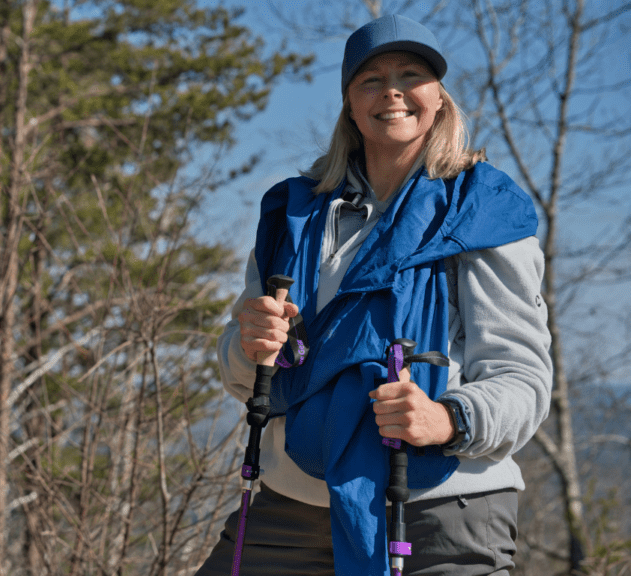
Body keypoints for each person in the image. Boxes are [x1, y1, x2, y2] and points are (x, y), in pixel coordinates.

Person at [195, 14, 552, 576]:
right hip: (295, 501)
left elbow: (523, 377)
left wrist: (446, 419)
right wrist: (248, 347)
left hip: (443, 502)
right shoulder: (295, 215)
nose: (392, 90)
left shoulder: (484, 210)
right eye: (370, 79)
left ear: (438, 98)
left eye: (411, 74)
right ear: (350, 104)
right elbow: (245, 374)